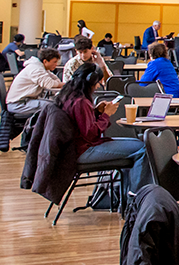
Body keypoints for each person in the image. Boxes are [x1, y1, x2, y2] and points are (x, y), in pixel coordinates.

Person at [58, 61, 145, 196]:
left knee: (135, 146)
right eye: (98, 82)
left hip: (73, 149)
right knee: (141, 148)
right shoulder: (81, 102)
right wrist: (106, 115)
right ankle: (136, 194)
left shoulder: (69, 96)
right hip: (83, 151)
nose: (98, 86)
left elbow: (81, 124)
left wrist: (96, 112)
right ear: (91, 81)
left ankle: (128, 193)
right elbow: (91, 134)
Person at [6, 47, 62, 117]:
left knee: (56, 104)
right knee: (53, 107)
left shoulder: (41, 68)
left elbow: (56, 80)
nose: (56, 64)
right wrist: (65, 84)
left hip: (27, 101)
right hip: (18, 104)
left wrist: (60, 84)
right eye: (54, 62)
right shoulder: (36, 69)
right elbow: (50, 84)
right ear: (45, 61)